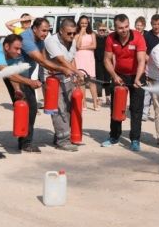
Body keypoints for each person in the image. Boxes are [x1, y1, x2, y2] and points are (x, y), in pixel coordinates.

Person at [16, 17, 74, 153]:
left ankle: (24, 141)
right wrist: (62, 69)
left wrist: (53, 70)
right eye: (43, 30)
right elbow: (40, 59)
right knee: (28, 108)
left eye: (47, 31)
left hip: (26, 76)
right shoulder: (26, 39)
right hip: (15, 76)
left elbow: (44, 61)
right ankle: (25, 143)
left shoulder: (40, 40)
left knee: (30, 108)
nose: (45, 34)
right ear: (34, 29)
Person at [101, 14, 147, 151]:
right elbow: (106, 60)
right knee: (116, 107)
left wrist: (138, 78)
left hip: (137, 75)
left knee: (136, 109)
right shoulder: (111, 38)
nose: (124, 30)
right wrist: (114, 76)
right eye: (120, 28)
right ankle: (114, 136)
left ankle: (135, 139)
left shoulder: (138, 37)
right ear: (115, 28)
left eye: (126, 26)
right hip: (119, 75)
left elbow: (141, 61)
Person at [44, 18, 83, 151]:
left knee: (68, 108)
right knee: (58, 108)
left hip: (67, 76)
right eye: (69, 33)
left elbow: (71, 60)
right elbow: (60, 60)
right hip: (52, 79)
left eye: (74, 33)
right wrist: (77, 72)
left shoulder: (72, 41)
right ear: (61, 31)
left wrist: (76, 76)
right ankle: (63, 141)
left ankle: (62, 135)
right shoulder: (51, 41)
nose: (72, 36)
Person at [142, 14, 159, 121]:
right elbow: (143, 50)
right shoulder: (146, 35)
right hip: (150, 68)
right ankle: (144, 113)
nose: (156, 26)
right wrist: (150, 60)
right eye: (154, 24)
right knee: (147, 93)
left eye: (158, 24)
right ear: (151, 24)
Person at [74, 15, 99, 111]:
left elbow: (94, 46)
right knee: (81, 82)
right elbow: (77, 45)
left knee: (92, 81)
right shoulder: (76, 34)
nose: (84, 25)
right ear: (79, 24)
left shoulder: (92, 34)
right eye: (82, 23)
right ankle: (83, 103)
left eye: (85, 23)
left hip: (89, 59)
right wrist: (81, 33)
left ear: (88, 24)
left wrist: (83, 48)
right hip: (79, 58)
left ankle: (95, 103)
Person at [94, 21, 111, 106]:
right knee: (99, 80)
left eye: (104, 30)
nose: (102, 32)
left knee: (107, 79)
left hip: (107, 61)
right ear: (97, 30)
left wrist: (108, 32)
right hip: (98, 61)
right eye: (100, 30)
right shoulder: (95, 38)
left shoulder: (108, 38)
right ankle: (100, 97)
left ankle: (108, 97)